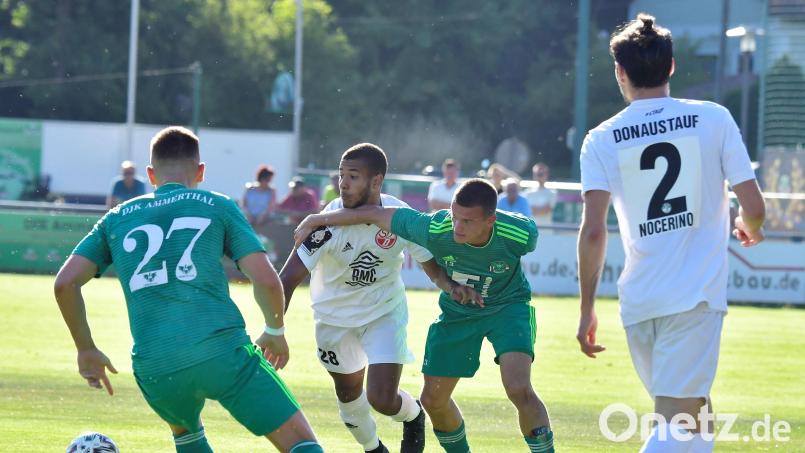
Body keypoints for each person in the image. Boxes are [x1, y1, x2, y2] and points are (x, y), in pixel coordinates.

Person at [54, 126, 323, 453]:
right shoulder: (217, 205)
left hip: (156, 365)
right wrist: (274, 329)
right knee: (302, 444)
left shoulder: (115, 218)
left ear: (150, 175)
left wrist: (86, 349)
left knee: (188, 436)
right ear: (201, 171)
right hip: (221, 352)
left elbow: (65, 283)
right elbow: (266, 279)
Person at [576, 14, 765, 453]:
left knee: (696, 417)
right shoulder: (713, 118)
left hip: (640, 302)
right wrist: (748, 227)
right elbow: (754, 208)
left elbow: (592, 232)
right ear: (672, 66)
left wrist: (587, 308)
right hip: (693, 298)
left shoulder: (600, 139)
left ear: (621, 73)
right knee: (678, 425)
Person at [294, 178, 554, 453]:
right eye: (455, 216)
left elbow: (524, 231)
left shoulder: (521, 234)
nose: (457, 227)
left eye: (467, 221)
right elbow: (372, 213)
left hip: (508, 308)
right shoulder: (434, 227)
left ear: (491, 220)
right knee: (432, 400)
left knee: (518, 388)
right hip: (457, 315)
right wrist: (316, 218)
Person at [280, 143, 481, 453]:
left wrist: (450, 285)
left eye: (353, 176)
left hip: (383, 313)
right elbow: (287, 279)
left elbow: (432, 266)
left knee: (382, 399)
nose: (343, 184)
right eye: (341, 175)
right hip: (333, 321)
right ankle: (374, 448)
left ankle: (413, 415)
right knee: (349, 395)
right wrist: (273, 330)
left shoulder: (400, 218)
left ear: (376, 181)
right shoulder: (323, 224)